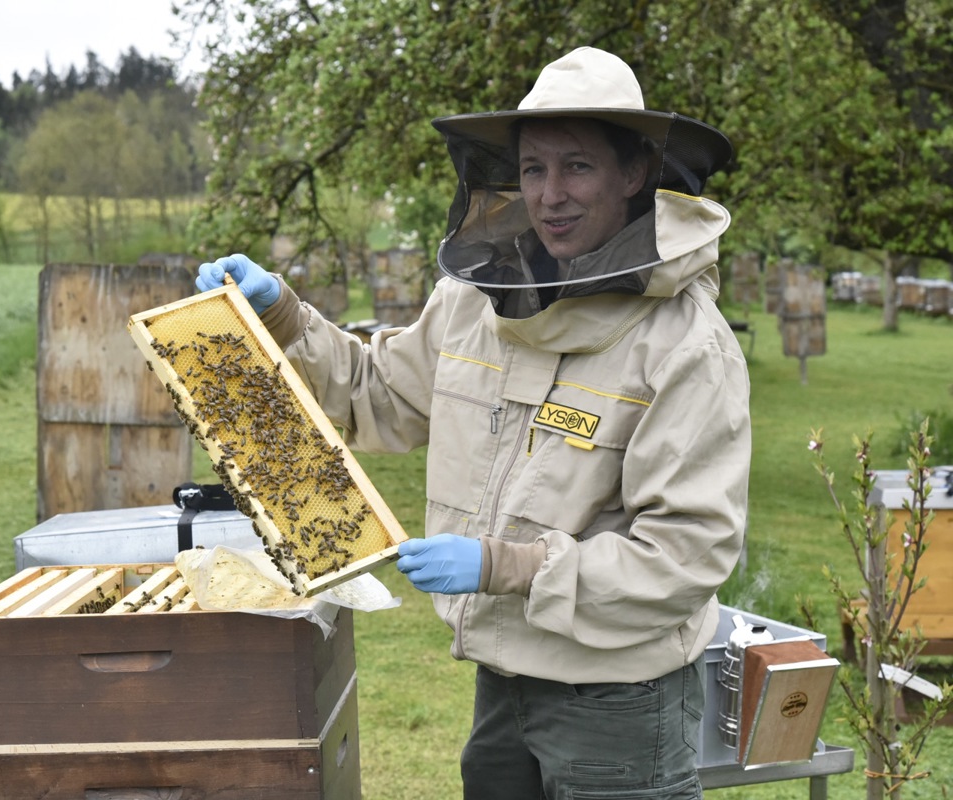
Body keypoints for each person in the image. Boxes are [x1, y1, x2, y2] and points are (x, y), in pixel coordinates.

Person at [196, 46, 750, 800]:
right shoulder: (475, 301)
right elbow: (379, 395)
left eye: (577, 166)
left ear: (634, 173)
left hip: (619, 700)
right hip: (501, 682)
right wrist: (283, 316)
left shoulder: (686, 346)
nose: (550, 194)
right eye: (532, 168)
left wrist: (503, 566)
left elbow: (684, 557)